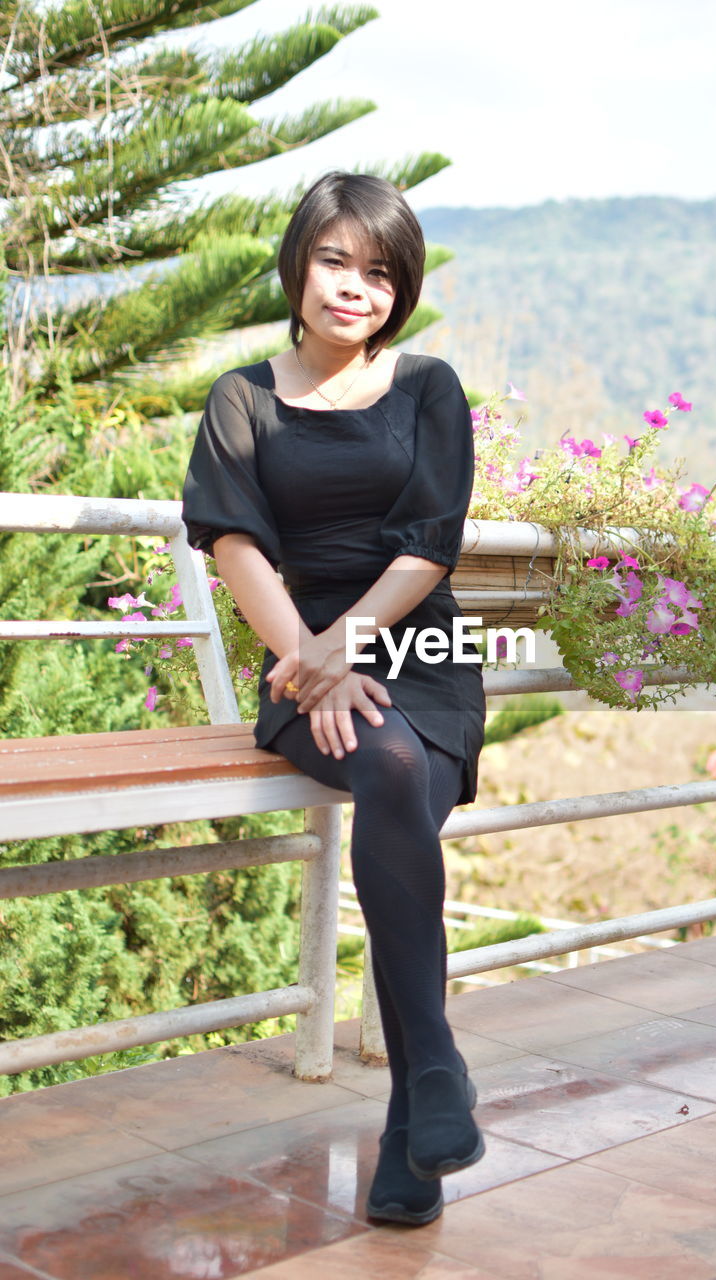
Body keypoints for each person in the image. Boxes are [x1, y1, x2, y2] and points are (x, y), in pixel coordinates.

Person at [181, 171, 487, 1226]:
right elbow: (234, 540)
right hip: (295, 655)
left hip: (418, 653)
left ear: (399, 288)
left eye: (379, 270)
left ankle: (416, 1119)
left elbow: (427, 547)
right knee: (389, 764)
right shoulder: (242, 397)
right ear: (298, 264)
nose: (354, 287)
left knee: (400, 762)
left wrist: (344, 649)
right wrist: (311, 659)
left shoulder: (428, 387)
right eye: (335, 261)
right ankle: (432, 1077)